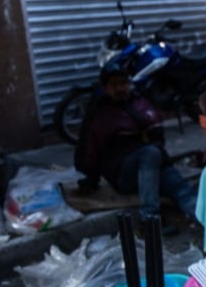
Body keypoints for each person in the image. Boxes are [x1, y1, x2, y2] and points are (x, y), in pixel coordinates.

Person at [74, 67, 198, 230]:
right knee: (150, 153)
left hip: (152, 168)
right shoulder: (100, 113)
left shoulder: (140, 103)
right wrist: (90, 179)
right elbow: (89, 149)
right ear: (105, 88)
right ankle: (149, 219)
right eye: (114, 85)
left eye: (123, 83)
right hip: (123, 173)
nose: (119, 89)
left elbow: (157, 135)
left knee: (180, 188)